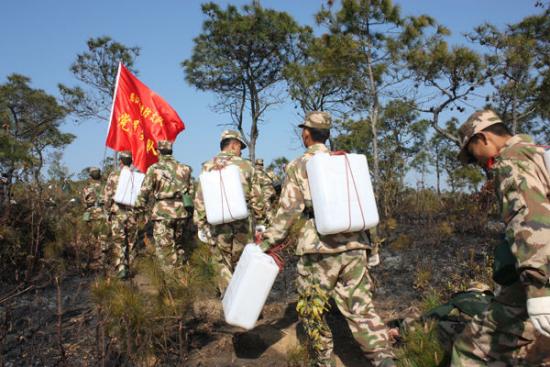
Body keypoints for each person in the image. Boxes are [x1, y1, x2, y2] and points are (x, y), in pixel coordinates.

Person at [258, 112, 397, 367]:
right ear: (328, 134)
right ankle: (384, 359)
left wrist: (265, 244)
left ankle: (324, 361)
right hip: (356, 244)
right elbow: (366, 206)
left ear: (307, 133)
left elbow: (288, 213)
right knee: (361, 309)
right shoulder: (346, 161)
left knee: (312, 309)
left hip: (319, 248)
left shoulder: (299, 164)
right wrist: (373, 245)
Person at [451, 109, 550, 366]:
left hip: (542, 275)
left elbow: (530, 223)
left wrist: (538, 289)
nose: (477, 162)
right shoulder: (538, 152)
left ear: (482, 138)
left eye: (472, 154)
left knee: (471, 348)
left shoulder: (511, 162)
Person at [193, 130, 261, 294]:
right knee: (243, 260)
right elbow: (257, 197)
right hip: (243, 221)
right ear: (233, 145)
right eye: (240, 147)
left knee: (221, 261)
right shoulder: (246, 166)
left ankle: (231, 301)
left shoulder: (208, 166)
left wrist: (200, 222)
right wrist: (260, 220)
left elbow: (200, 198)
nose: (241, 151)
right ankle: (248, 302)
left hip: (218, 221)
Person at [135, 140, 193, 271]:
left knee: (165, 250)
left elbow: (144, 191)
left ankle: (172, 283)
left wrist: (138, 209)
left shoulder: (154, 169)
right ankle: (184, 277)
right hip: (182, 212)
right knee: (179, 246)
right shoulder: (185, 168)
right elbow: (191, 191)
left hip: (163, 213)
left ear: (158, 152)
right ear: (171, 151)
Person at [103, 151, 139, 278]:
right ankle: (132, 266)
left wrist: (107, 211)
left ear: (121, 161)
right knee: (131, 242)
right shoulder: (136, 176)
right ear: (131, 161)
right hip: (132, 213)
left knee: (119, 241)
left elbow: (107, 196)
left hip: (118, 213)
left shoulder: (114, 175)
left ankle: (122, 268)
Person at [81, 167, 108, 270]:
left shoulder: (86, 188)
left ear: (90, 176)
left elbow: (84, 203)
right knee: (104, 236)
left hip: (92, 215)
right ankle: (103, 259)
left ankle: (91, 259)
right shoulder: (105, 187)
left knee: (93, 236)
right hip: (103, 214)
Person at [253, 158, 276, 227]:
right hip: (272, 193)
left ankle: (273, 227)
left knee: (266, 212)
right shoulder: (268, 173)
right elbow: (276, 181)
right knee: (270, 210)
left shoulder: (254, 173)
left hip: (263, 195)